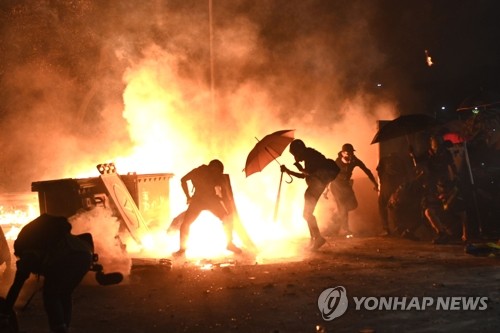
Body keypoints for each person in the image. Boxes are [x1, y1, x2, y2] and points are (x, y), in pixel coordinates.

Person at [1, 214, 94, 333]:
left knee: (50, 294)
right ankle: (64, 326)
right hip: (85, 255)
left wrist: (5, 313)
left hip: (68, 257)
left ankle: (59, 328)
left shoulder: (28, 257)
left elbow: (16, 286)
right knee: (64, 293)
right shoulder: (43, 244)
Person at [173, 159, 242, 257]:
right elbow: (183, 180)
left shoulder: (215, 175)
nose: (218, 174)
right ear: (213, 167)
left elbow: (225, 191)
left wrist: (227, 206)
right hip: (199, 201)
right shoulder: (198, 171)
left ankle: (229, 244)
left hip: (210, 201)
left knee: (227, 218)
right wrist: (188, 196)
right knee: (186, 223)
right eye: (217, 171)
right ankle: (182, 249)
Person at [280, 139, 339, 250]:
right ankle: (314, 239)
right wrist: (299, 169)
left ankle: (318, 238)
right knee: (307, 214)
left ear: (300, 150)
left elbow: (306, 175)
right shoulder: (310, 154)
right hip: (316, 186)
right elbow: (309, 173)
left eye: (295, 154)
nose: (295, 157)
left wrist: (289, 170)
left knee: (307, 214)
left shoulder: (310, 156)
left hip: (316, 186)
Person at [329, 143, 378, 237]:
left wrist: (375, 183)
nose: (349, 155)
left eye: (351, 153)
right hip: (336, 186)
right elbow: (329, 176)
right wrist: (326, 190)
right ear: (342, 153)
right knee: (343, 207)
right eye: (347, 153)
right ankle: (345, 229)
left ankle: (338, 217)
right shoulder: (337, 162)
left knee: (353, 205)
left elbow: (366, 170)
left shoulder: (354, 161)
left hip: (346, 186)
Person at [376, 152, 412, 236]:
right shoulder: (401, 161)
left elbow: (379, 171)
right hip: (396, 187)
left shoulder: (384, 160)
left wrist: (381, 182)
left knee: (382, 206)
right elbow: (406, 174)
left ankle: (386, 229)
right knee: (396, 207)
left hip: (386, 187)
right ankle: (399, 228)